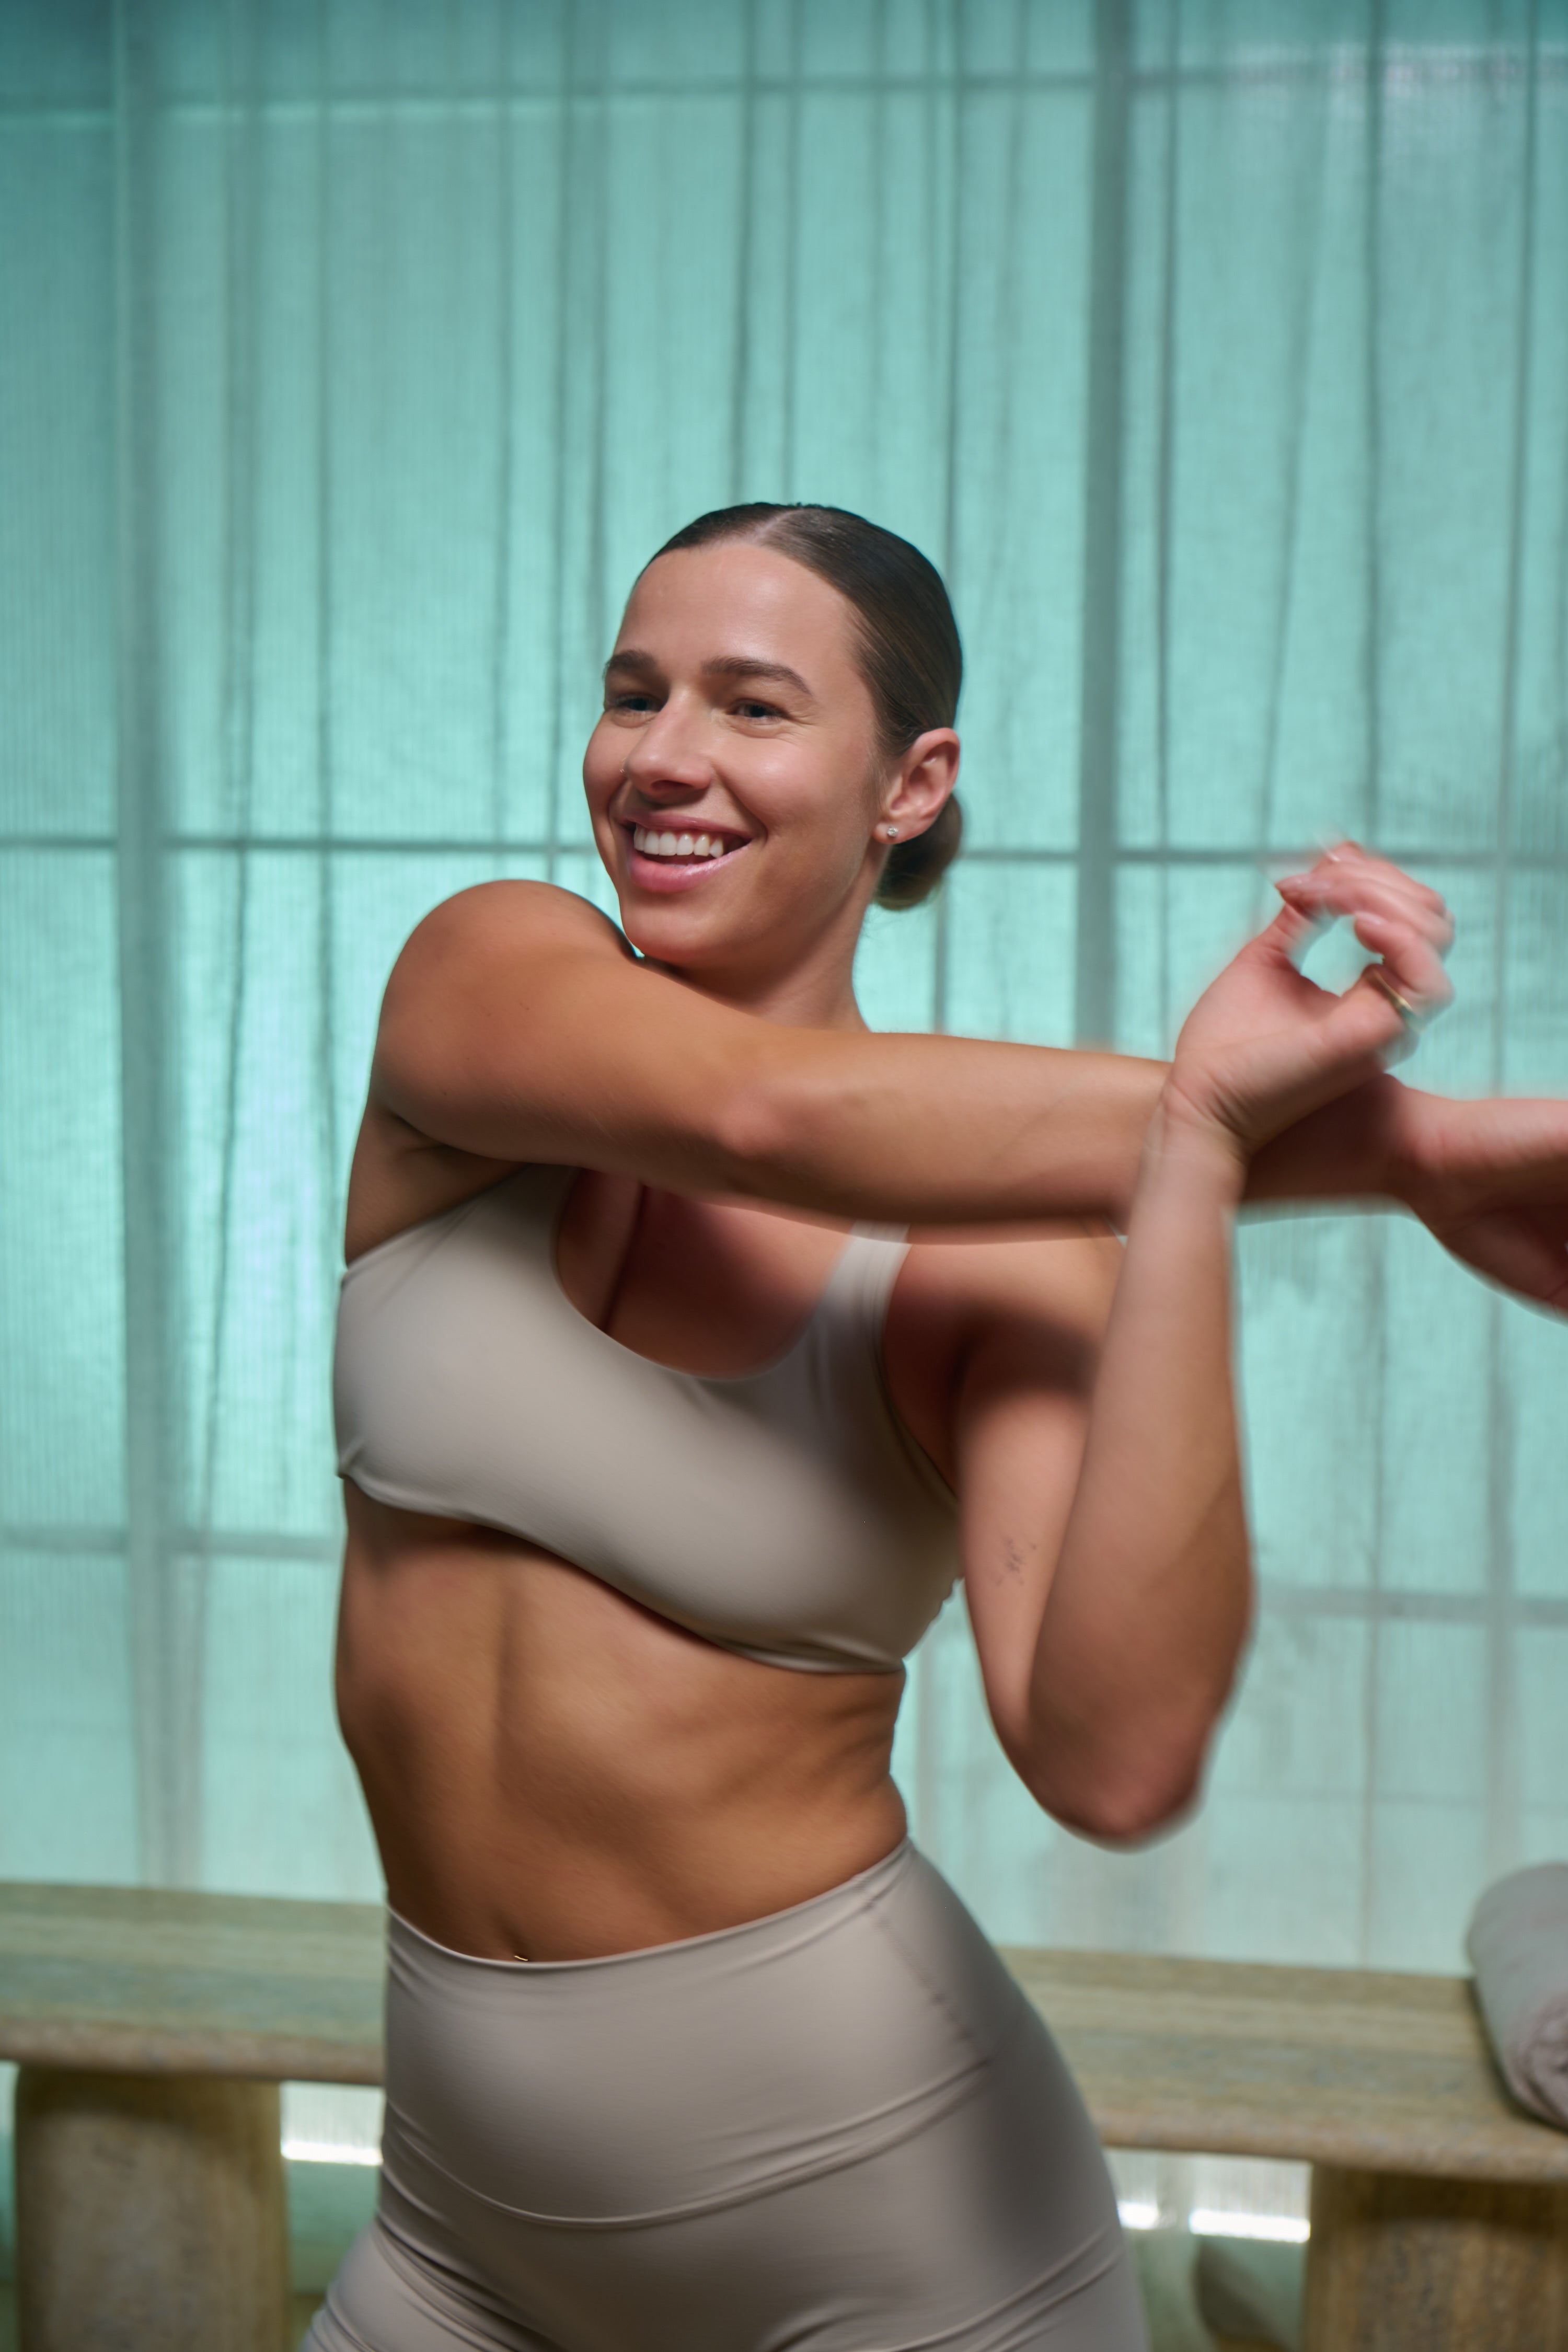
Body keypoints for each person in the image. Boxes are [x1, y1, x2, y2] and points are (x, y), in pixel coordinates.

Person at [312, 505, 1564, 2352]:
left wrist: (1202, 1165)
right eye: (636, 694)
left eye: (753, 706)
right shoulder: (485, 974)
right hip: (457, 2226)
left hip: (898, 2237)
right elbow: (759, 1112)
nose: (663, 755)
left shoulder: (991, 1269)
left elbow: (1112, 1763)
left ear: (912, 784)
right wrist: (1416, 1151)